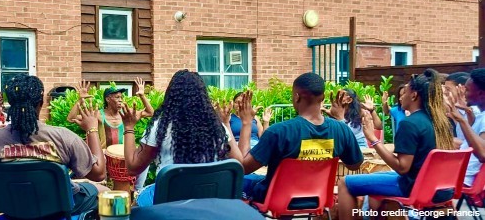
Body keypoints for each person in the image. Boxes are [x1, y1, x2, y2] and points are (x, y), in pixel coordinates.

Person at [0, 74, 109, 216]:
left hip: (12, 206)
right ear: (41, 102)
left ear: (11, 104)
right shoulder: (63, 137)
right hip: (59, 207)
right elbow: (99, 174)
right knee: (105, 192)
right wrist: (92, 129)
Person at [337, 69, 455, 219]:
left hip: (413, 186)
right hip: (440, 187)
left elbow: (402, 167)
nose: (400, 98)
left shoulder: (410, 124)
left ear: (414, 95)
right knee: (375, 176)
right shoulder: (439, 122)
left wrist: (373, 139)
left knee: (345, 183)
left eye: (404, 92)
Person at [120, 70, 243, 206]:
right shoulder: (217, 127)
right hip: (209, 203)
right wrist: (225, 123)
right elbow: (238, 163)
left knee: (137, 203)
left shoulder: (161, 126)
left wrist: (129, 127)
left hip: (169, 206)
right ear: (203, 97)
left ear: (171, 96)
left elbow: (133, 168)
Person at [238, 72, 364, 203]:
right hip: (318, 198)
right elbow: (355, 165)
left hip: (279, 199)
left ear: (297, 97)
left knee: (240, 181)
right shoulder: (341, 129)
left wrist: (246, 123)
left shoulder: (278, 131)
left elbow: (243, 168)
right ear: (323, 97)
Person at [67, 78, 154, 191]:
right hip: (104, 154)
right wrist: (80, 100)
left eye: (121, 97)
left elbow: (150, 112)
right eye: (117, 97)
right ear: (108, 99)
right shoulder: (99, 114)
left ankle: (137, 190)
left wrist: (142, 95)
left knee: (144, 161)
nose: (121, 100)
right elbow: (71, 118)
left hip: (124, 155)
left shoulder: (125, 114)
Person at [446, 68, 485, 187]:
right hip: (458, 173)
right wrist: (467, 114)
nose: (464, 94)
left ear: (481, 93)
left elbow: (483, 154)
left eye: (467, 90)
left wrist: (461, 120)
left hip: (463, 178)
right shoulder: (480, 116)